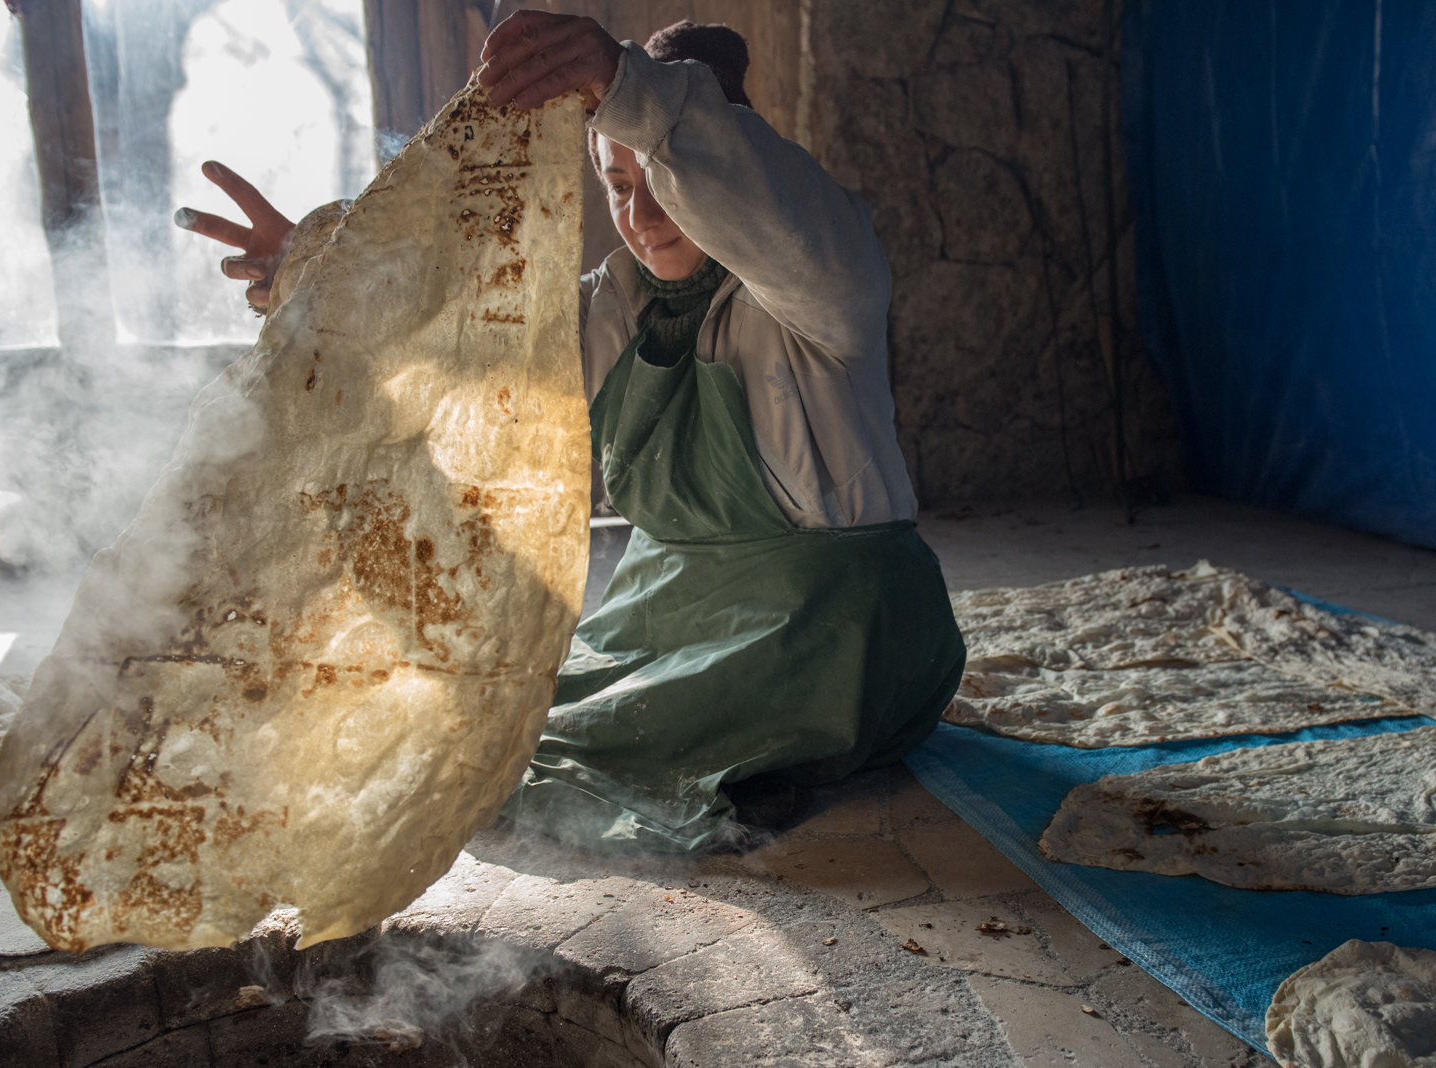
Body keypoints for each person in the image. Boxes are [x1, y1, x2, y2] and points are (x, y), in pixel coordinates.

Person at [177, 10, 965, 852]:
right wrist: (315, 271)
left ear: (720, 172)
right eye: (619, 187)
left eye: (664, 181)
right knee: (483, 715)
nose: (645, 216)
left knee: (544, 765)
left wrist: (625, 86)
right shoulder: (611, 303)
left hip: (832, 623)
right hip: (668, 605)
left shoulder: (825, 281)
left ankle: (765, 759)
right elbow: (460, 332)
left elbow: (762, 198)